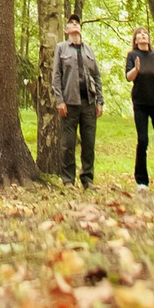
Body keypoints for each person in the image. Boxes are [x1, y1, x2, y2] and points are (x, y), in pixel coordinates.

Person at [51, 15, 103, 187]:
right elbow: (56, 76)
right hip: (69, 103)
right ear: (66, 31)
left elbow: (96, 76)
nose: (75, 25)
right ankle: (68, 180)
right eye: (71, 24)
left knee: (89, 143)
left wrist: (99, 101)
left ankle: (87, 179)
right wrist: (60, 100)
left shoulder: (89, 50)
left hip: (88, 102)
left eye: (77, 23)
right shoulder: (61, 48)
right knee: (68, 144)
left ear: (80, 29)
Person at [123, 27, 154, 189]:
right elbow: (128, 77)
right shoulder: (132, 56)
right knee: (143, 140)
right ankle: (142, 181)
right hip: (140, 104)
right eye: (139, 34)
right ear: (136, 40)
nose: (143, 36)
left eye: (145, 34)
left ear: (149, 39)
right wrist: (136, 69)